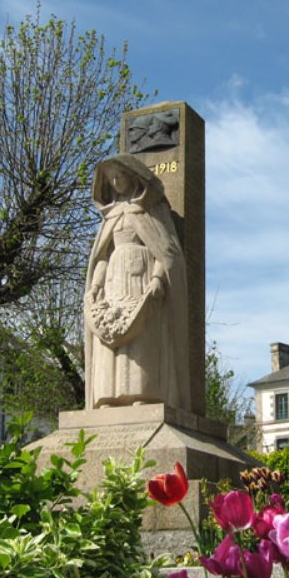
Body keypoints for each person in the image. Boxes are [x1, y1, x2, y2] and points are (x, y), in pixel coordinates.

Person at [83, 154, 190, 410]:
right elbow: (102, 257)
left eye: (119, 176)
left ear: (133, 176)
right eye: (111, 179)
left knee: (144, 336)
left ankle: (145, 393)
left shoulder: (150, 208)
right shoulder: (110, 216)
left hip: (141, 281)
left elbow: (163, 251)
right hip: (113, 283)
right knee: (109, 335)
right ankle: (108, 396)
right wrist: (95, 287)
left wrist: (156, 278)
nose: (116, 182)